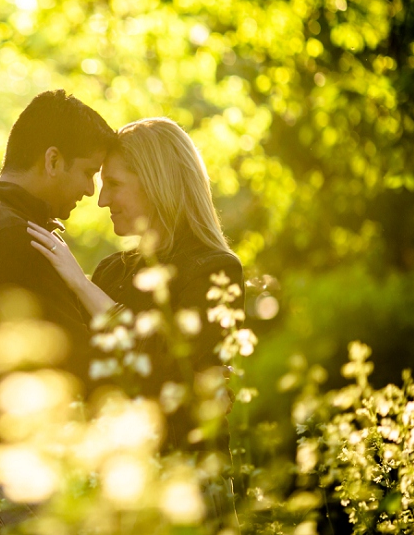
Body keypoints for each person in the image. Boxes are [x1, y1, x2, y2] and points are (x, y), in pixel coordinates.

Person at [27, 116, 243, 529]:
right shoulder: (112, 272)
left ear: (157, 181)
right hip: (119, 492)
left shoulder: (214, 269)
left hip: (190, 490)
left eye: (115, 184)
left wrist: (80, 285)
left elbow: (161, 365)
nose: (102, 199)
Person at [0, 90, 114, 459]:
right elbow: (69, 356)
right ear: (53, 160)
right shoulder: (9, 234)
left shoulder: (3, 223)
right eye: (88, 172)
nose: (91, 190)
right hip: (7, 470)